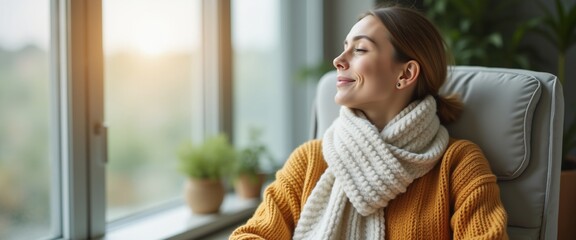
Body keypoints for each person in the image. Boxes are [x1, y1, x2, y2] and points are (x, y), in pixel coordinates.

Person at [230, 5, 508, 240]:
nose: (339, 60)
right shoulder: (309, 160)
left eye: (360, 49)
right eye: (344, 48)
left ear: (406, 73)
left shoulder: (458, 164)